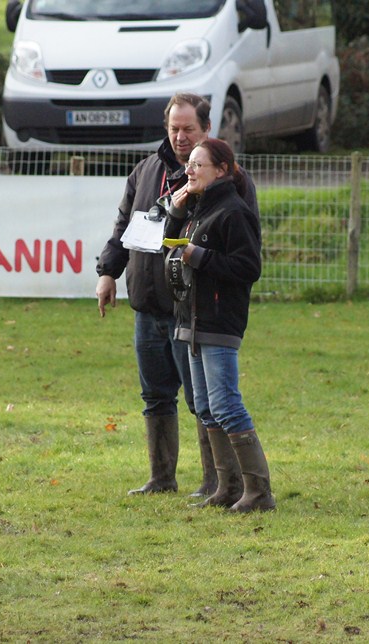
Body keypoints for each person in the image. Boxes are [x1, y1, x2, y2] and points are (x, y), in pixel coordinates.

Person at [96, 93, 257, 497]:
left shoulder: (227, 182)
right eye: (174, 129)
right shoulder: (145, 172)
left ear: (207, 130)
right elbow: (123, 227)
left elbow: (242, 251)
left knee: (204, 403)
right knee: (155, 395)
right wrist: (107, 272)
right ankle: (161, 477)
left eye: (189, 129)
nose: (181, 137)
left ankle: (215, 481)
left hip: (193, 310)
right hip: (147, 305)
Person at [163, 138, 274, 512]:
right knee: (207, 407)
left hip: (218, 320)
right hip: (192, 320)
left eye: (197, 165)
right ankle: (227, 488)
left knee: (227, 405)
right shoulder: (198, 210)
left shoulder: (233, 212)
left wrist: (200, 256)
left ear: (222, 170)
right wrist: (177, 214)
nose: (188, 171)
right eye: (188, 165)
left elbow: (248, 268)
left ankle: (258, 493)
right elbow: (167, 246)